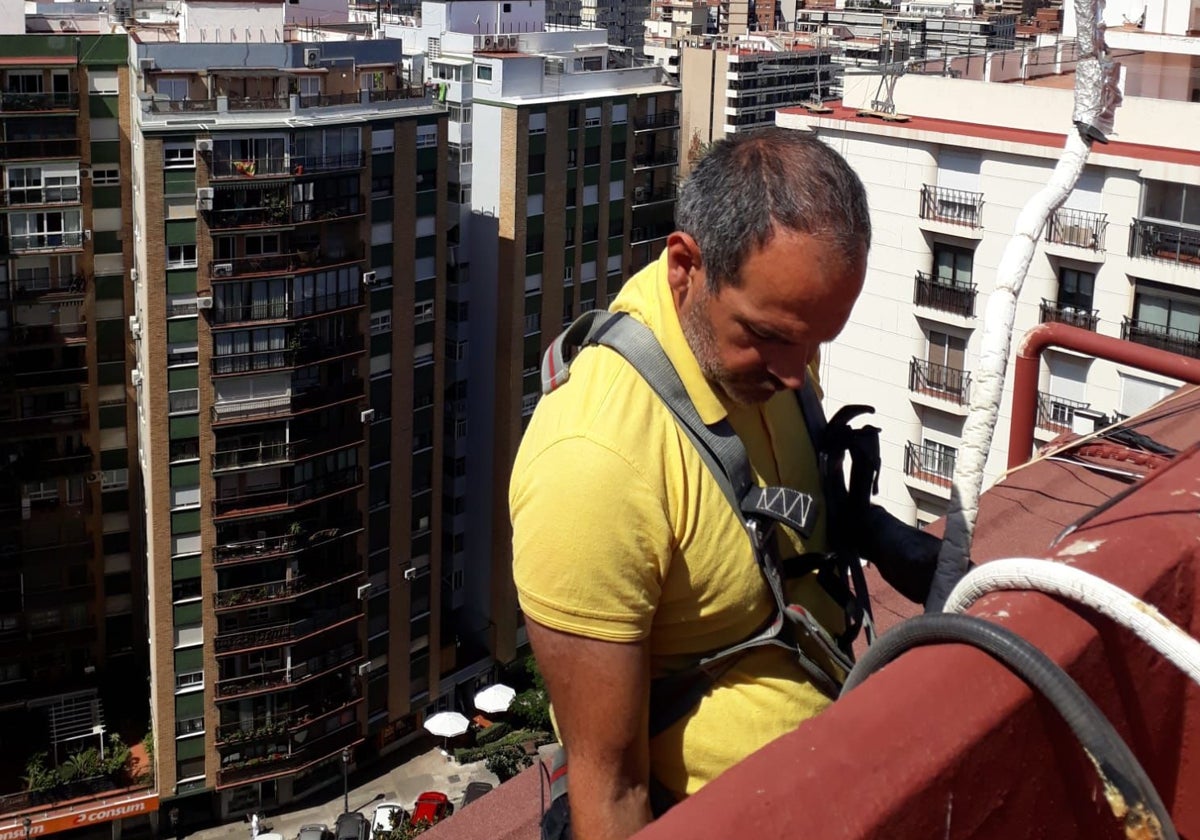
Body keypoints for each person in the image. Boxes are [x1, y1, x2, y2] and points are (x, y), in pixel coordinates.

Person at [510, 128, 941, 840]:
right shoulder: (594, 462)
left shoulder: (770, 349)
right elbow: (611, 792)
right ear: (686, 266)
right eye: (771, 336)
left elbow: (781, 520)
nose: (797, 375)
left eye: (816, 342)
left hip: (837, 768)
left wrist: (894, 541)